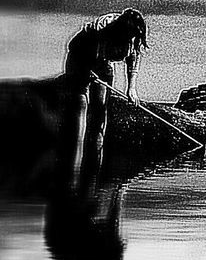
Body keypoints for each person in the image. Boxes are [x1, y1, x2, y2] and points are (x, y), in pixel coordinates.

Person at [61, 9, 149, 178]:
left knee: (100, 110)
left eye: (135, 35)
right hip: (80, 57)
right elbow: (90, 56)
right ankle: (74, 161)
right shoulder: (103, 27)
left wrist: (131, 88)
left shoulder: (135, 37)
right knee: (81, 104)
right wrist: (86, 72)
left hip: (103, 63)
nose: (132, 38)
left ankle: (93, 167)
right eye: (129, 34)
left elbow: (133, 62)